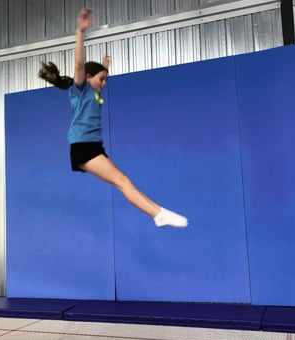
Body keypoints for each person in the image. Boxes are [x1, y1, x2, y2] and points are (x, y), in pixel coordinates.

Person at [39, 8, 188, 228]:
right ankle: (158, 214)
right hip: (83, 146)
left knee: (123, 182)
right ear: (88, 78)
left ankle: (159, 213)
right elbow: (80, 64)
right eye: (101, 79)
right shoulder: (80, 89)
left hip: (92, 146)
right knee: (123, 181)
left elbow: (96, 78)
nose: (104, 84)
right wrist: (80, 32)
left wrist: (104, 67)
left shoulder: (93, 91)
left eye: (106, 80)